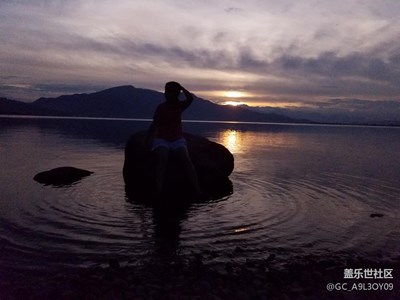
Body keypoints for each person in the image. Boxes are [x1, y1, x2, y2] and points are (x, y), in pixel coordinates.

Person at [146, 81, 202, 197]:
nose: (166, 94)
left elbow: (190, 98)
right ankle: (159, 190)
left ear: (175, 93)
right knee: (162, 158)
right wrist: (148, 139)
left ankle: (197, 190)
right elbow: (154, 124)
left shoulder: (179, 106)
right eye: (166, 91)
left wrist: (182, 88)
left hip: (177, 140)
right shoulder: (161, 107)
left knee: (186, 159)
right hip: (162, 139)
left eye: (169, 91)